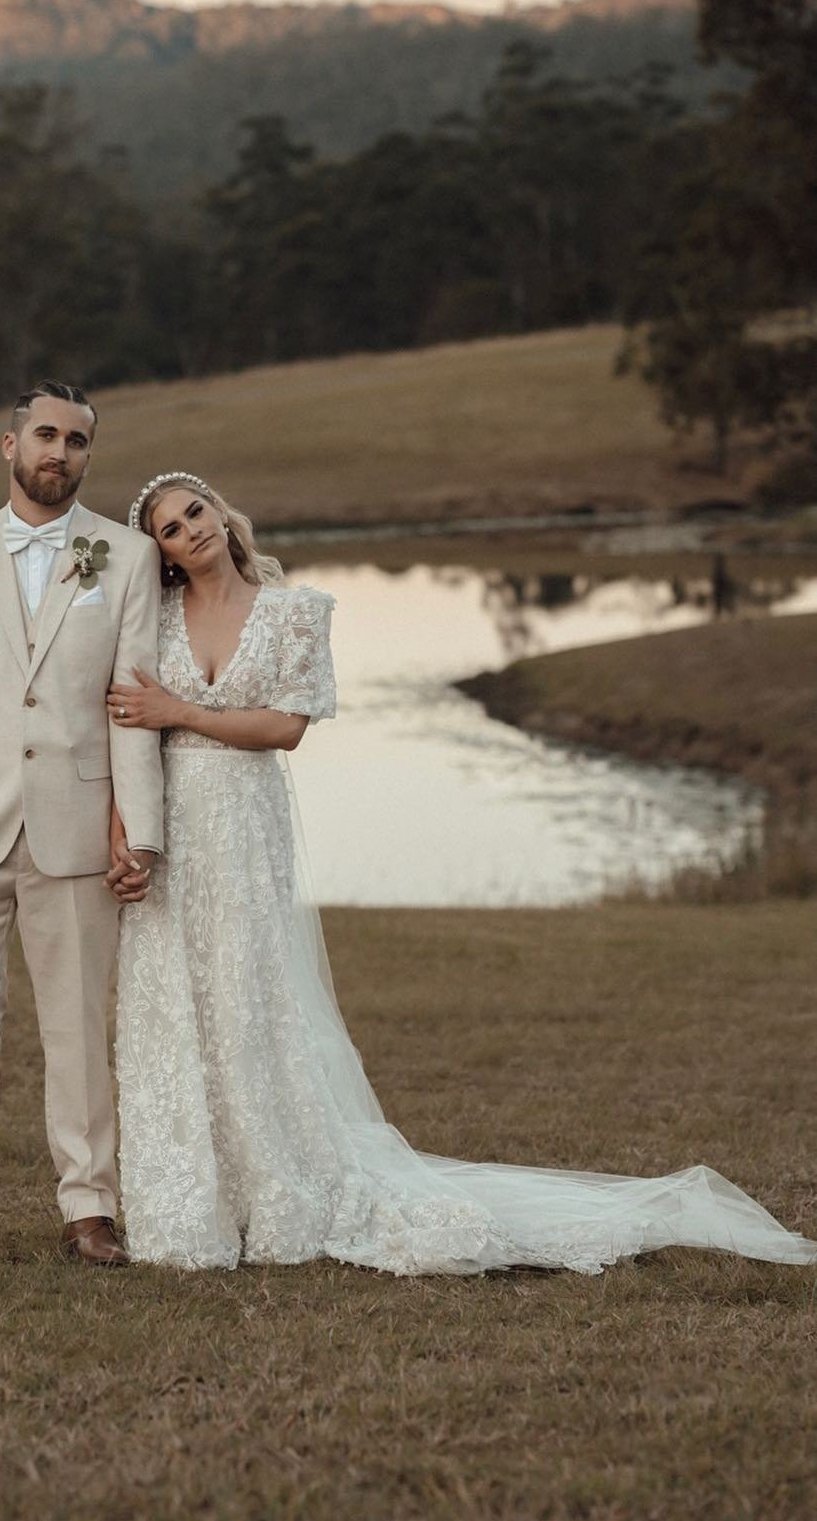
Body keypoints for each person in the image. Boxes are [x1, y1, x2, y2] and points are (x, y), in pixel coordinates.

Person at [104, 471, 817, 1274]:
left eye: (194, 510)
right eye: (168, 527)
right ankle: (191, 1207)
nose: (189, 529)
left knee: (248, 997)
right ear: (158, 552)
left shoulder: (292, 612)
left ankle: (277, 1192)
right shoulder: (151, 618)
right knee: (178, 1004)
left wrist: (182, 712)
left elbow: (286, 727)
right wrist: (126, 835)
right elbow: (123, 731)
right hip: (175, 833)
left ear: (219, 511)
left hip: (243, 823)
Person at [0, 381, 163, 1265]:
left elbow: (130, 704)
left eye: (76, 440)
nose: (60, 451)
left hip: (75, 830)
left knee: (80, 1027)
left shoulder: (122, 556)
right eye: (45, 434)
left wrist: (140, 832)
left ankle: (89, 1209)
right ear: (7, 445)